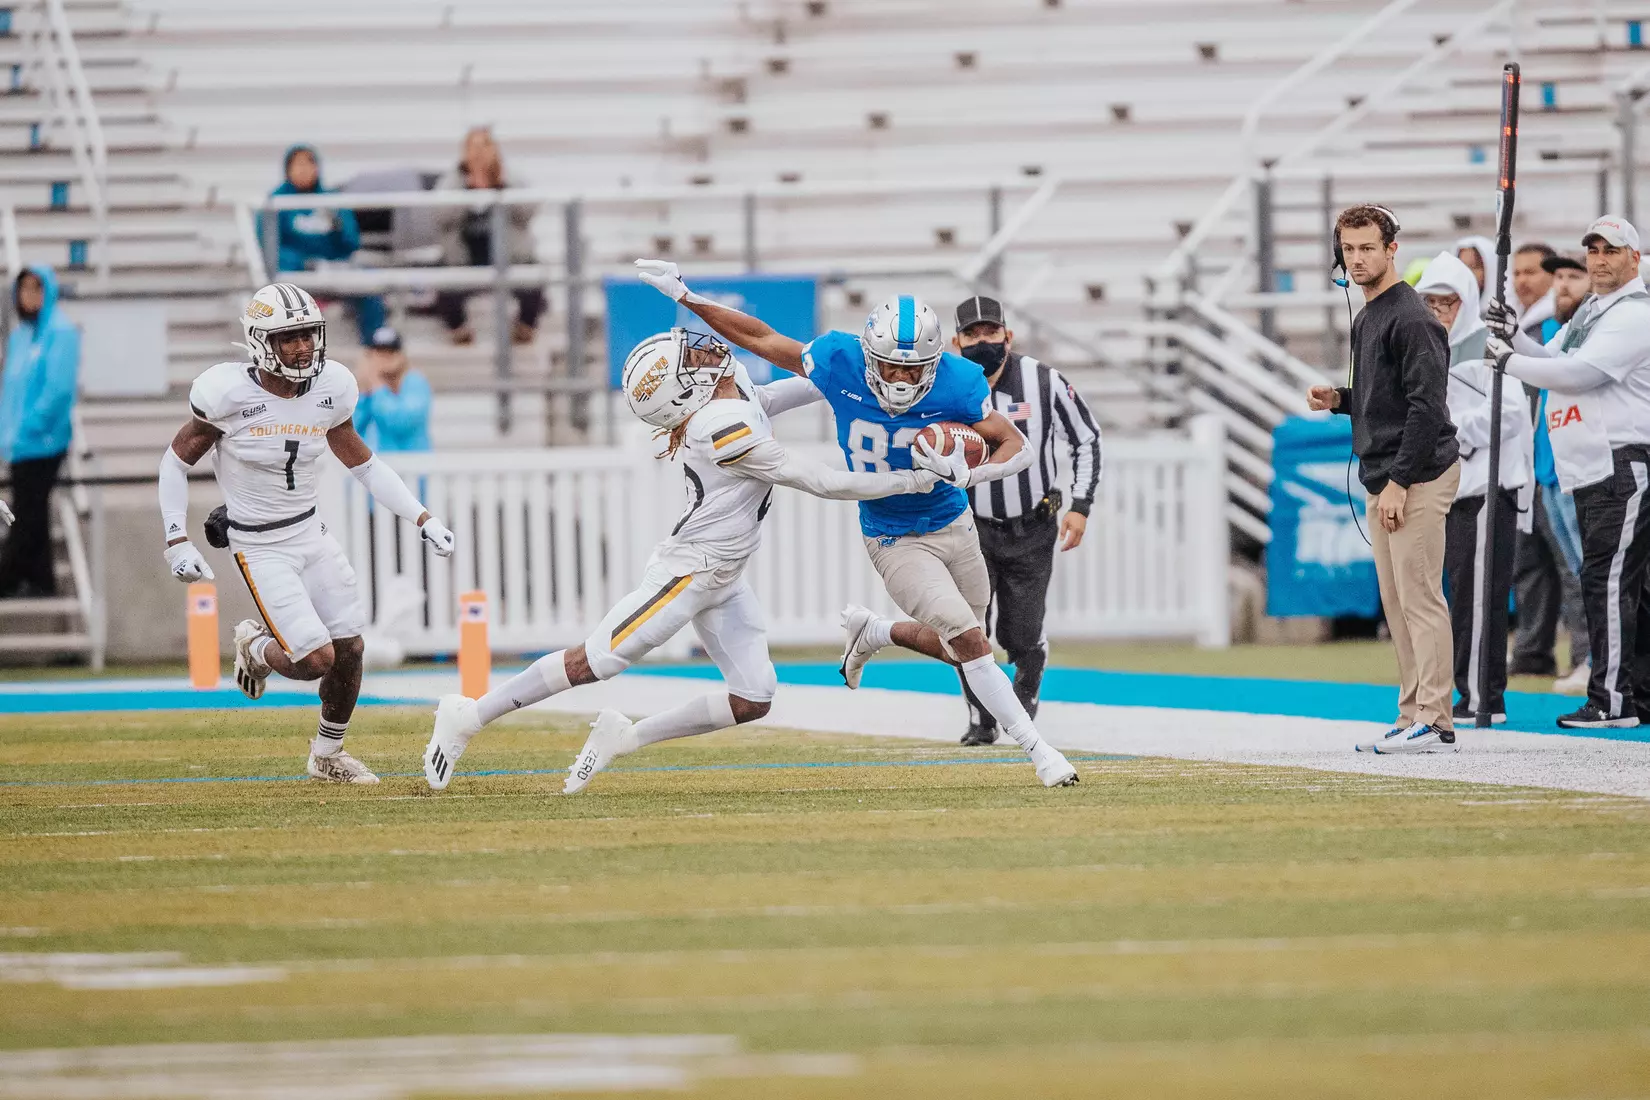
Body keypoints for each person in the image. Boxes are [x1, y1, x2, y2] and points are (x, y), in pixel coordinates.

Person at [420, 329, 947, 793]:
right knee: (595, 662)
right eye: (687, 362)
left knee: (753, 697)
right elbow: (823, 481)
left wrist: (858, 368)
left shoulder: (733, 393)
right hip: (688, 572)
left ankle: (626, 737)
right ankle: (468, 715)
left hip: (726, 575)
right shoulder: (718, 427)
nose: (702, 354)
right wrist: (916, 480)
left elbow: (788, 389)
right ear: (682, 390)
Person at [636, 259, 1080, 788]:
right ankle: (1040, 751)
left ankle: (874, 630)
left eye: (913, 369)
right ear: (869, 355)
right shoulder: (839, 359)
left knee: (957, 647)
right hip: (893, 536)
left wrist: (970, 472)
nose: (900, 378)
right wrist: (686, 296)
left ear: (936, 362)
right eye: (890, 366)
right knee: (971, 643)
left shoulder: (960, 382)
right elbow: (762, 337)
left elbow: (1018, 446)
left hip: (954, 522)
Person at [159, 282, 456, 782]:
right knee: (316, 657)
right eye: (288, 337)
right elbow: (174, 462)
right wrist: (175, 538)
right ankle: (255, 649)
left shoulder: (331, 386)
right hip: (259, 544)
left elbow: (362, 462)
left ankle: (327, 755)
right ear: (260, 340)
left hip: (311, 533)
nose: (302, 347)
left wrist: (422, 516)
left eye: (307, 335)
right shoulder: (227, 393)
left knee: (351, 650)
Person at [1487, 216, 1650, 729]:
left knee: (1608, 580)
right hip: (1592, 466)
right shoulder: (1594, 312)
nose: (1599, 258)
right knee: (1617, 582)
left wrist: (1507, 359)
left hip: (1620, 460)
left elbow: (1579, 375)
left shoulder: (1633, 314)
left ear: (1634, 259)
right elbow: (1550, 357)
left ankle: (1612, 699)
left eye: (1610, 250)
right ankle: (1633, 693)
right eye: (1593, 249)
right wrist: (1513, 336)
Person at [1308, 205, 1461, 754]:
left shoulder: (1412, 316)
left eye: (1367, 247)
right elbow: (1388, 400)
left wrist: (1399, 482)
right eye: (1347, 249)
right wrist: (1340, 401)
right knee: (1396, 602)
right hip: (1387, 473)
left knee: (1420, 597)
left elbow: (1426, 408)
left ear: (1392, 249)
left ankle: (1437, 718)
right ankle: (1410, 712)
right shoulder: (1369, 315)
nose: (1356, 259)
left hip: (1415, 473)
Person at [947, 294, 1102, 745]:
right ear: (957, 342)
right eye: (972, 334)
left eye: (989, 332)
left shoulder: (1044, 380)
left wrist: (1081, 504)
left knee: (1021, 632)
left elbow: (1086, 440)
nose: (982, 341)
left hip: (1033, 525)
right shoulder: (949, 387)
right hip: (970, 527)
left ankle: (1026, 692)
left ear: (1007, 336)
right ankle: (982, 720)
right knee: (968, 629)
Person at [1417, 252, 1530, 725]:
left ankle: (1484, 697)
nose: (1440, 310)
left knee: (1480, 598)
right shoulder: (1428, 350)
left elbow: (1511, 413)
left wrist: (1449, 432)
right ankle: (1468, 690)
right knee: (1463, 595)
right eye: (1431, 301)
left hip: (1487, 487)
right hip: (1456, 491)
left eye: (1449, 301)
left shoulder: (1487, 346)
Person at [1512, 254, 1592, 688]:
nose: (1562, 285)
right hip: (1546, 468)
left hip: (1578, 468)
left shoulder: (1598, 331)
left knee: (1591, 574)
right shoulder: (1557, 331)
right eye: (1558, 276)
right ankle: (1590, 658)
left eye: (1572, 277)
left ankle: (1596, 661)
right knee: (1577, 571)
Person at [0, 266, 79, 598]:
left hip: (43, 442)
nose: (29, 296)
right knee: (32, 513)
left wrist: (28, 427)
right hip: (20, 443)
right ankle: (41, 582)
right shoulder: (21, 337)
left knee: (24, 516)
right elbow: (13, 391)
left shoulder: (60, 332)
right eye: (24, 289)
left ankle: (7, 577)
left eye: (36, 289)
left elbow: (57, 392)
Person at [432, 127, 545, 346]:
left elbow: (530, 210)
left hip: (510, 257)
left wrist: (502, 187)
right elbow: (440, 215)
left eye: (484, 147)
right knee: (444, 287)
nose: (479, 154)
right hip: (465, 258)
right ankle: (460, 331)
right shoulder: (453, 181)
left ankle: (524, 328)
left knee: (534, 283)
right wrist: (466, 190)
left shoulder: (511, 177)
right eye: (473, 148)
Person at [266, 145, 387, 345]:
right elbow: (270, 248)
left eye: (309, 163)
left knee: (369, 285)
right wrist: (303, 264)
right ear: (288, 169)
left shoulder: (331, 199)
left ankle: (375, 347)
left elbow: (351, 244)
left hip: (333, 268)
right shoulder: (276, 202)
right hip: (297, 273)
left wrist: (340, 226)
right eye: (298, 164)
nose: (304, 170)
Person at [353, 326, 432, 453]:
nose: (385, 358)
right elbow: (353, 429)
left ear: (401, 355)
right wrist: (364, 393)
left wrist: (376, 383)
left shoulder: (415, 382)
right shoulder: (369, 390)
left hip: (412, 468)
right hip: (380, 466)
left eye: (390, 352)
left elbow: (401, 422)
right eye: (380, 353)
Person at [1511, 242, 1558, 338]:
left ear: (1553, 274)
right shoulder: (1509, 314)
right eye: (1517, 274)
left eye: (1530, 272)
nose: (1521, 280)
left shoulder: (1559, 321)